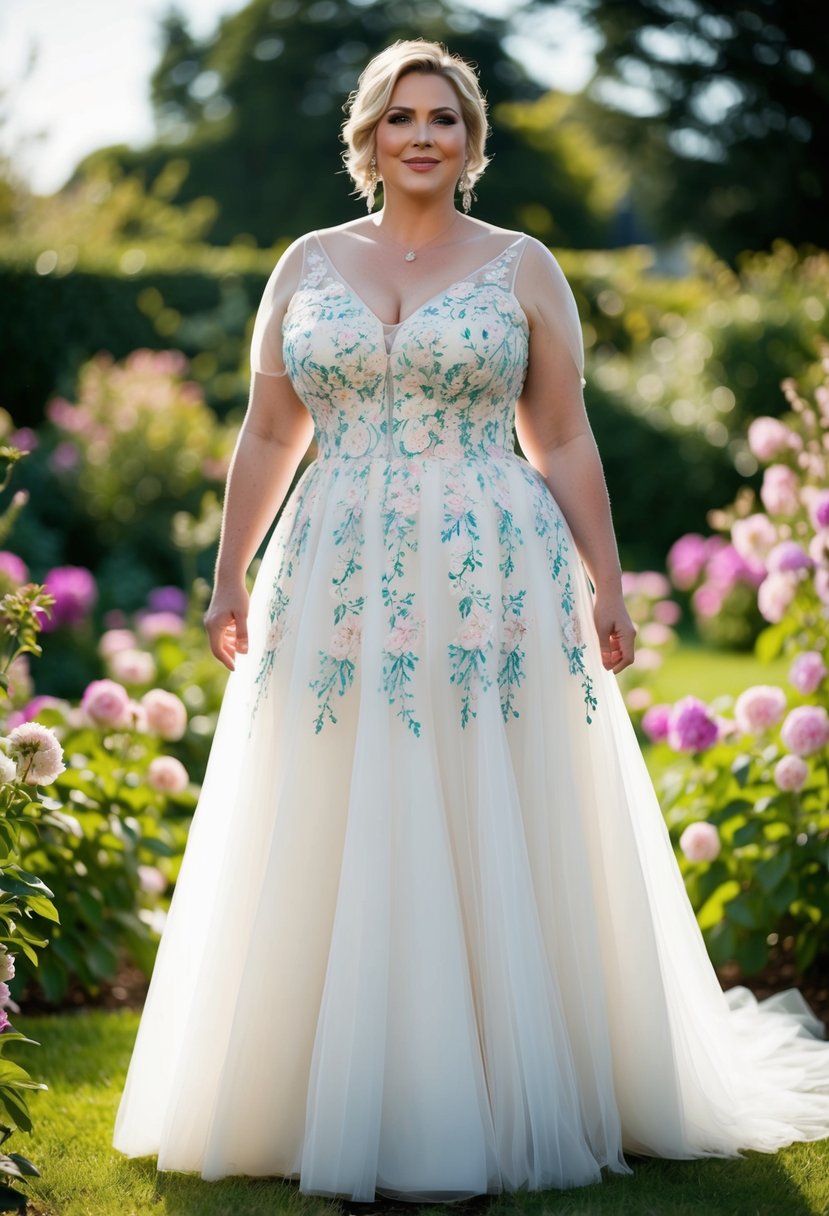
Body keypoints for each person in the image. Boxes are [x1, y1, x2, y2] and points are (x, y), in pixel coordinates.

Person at [112, 38, 829, 1203]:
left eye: (444, 117)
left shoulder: (523, 266)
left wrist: (604, 576)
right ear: (368, 137)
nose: (423, 135)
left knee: (477, 802)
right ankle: (311, 1091)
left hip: (489, 568)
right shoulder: (304, 263)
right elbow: (266, 435)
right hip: (333, 569)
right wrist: (228, 573)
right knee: (333, 807)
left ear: (471, 139)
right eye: (401, 116)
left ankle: (495, 1084)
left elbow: (562, 437)